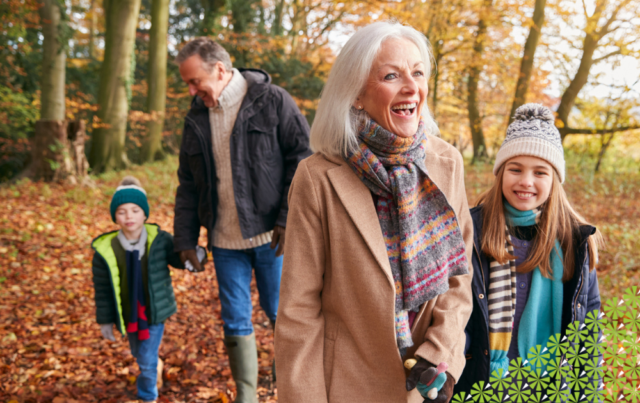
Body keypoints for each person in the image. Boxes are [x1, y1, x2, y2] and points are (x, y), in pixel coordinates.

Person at [274, 21, 474, 403]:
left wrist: (440, 353)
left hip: (422, 386)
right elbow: (299, 309)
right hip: (345, 384)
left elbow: (458, 278)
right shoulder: (317, 178)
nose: (412, 86)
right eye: (391, 75)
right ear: (356, 95)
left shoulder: (446, 162)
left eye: (417, 72)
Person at [172, 38, 311, 402]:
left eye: (194, 81)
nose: (191, 90)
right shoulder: (196, 116)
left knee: (281, 312)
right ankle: (246, 395)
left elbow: (303, 159)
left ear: (219, 70)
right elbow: (187, 183)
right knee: (235, 319)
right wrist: (185, 239)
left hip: (272, 237)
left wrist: (288, 217)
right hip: (224, 240)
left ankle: (292, 386)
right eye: (186, 83)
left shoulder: (273, 100)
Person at [455, 104, 604, 399]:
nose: (526, 181)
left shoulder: (574, 242)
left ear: (554, 180)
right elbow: (456, 313)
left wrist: (588, 392)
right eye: (515, 169)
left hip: (547, 388)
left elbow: (588, 327)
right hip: (482, 383)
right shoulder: (471, 231)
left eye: (540, 172)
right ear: (500, 173)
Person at [91, 176, 184, 403]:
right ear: (115, 216)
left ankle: (148, 397)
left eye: (135, 210)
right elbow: (102, 290)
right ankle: (155, 365)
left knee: (144, 358)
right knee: (139, 353)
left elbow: (180, 259)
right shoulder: (106, 249)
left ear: (145, 214)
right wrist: (104, 320)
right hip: (128, 312)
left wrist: (193, 254)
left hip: (154, 310)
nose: (129, 216)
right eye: (122, 211)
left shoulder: (160, 240)